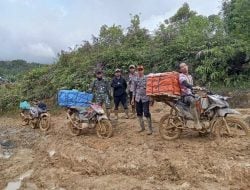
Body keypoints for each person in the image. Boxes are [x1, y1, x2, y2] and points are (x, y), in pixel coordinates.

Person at [178, 62, 202, 130]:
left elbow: (191, 89)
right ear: (180, 70)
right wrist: (193, 87)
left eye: (185, 65)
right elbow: (185, 84)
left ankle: (200, 119)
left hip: (190, 94)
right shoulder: (181, 76)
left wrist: (198, 89)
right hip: (185, 96)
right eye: (182, 67)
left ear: (187, 66)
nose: (184, 67)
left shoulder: (190, 76)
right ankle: (196, 122)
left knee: (202, 99)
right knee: (192, 100)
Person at [131, 65, 153, 135]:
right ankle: (142, 127)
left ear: (143, 70)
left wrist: (151, 98)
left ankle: (150, 129)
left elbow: (150, 88)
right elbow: (134, 90)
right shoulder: (135, 79)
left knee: (146, 112)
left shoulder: (147, 78)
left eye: (141, 70)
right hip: (138, 98)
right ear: (137, 71)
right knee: (139, 113)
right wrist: (132, 99)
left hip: (145, 98)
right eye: (139, 70)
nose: (140, 71)